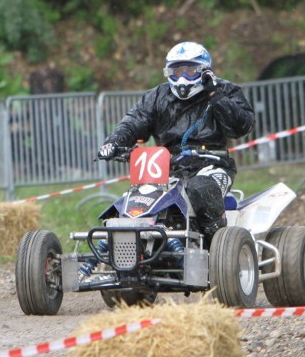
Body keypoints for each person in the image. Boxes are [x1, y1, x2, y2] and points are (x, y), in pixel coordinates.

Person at [97, 41, 255, 242]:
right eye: (176, 71)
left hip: (213, 166)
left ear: (204, 71)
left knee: (200, 188)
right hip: (167, 169)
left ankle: (216, 241)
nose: (182, 78)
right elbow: (134, 121)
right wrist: (114, 142)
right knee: (134, 201)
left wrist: (216, 96)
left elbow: (242, 127)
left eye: (190, 70)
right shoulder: (156, 97)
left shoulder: (225, 90)